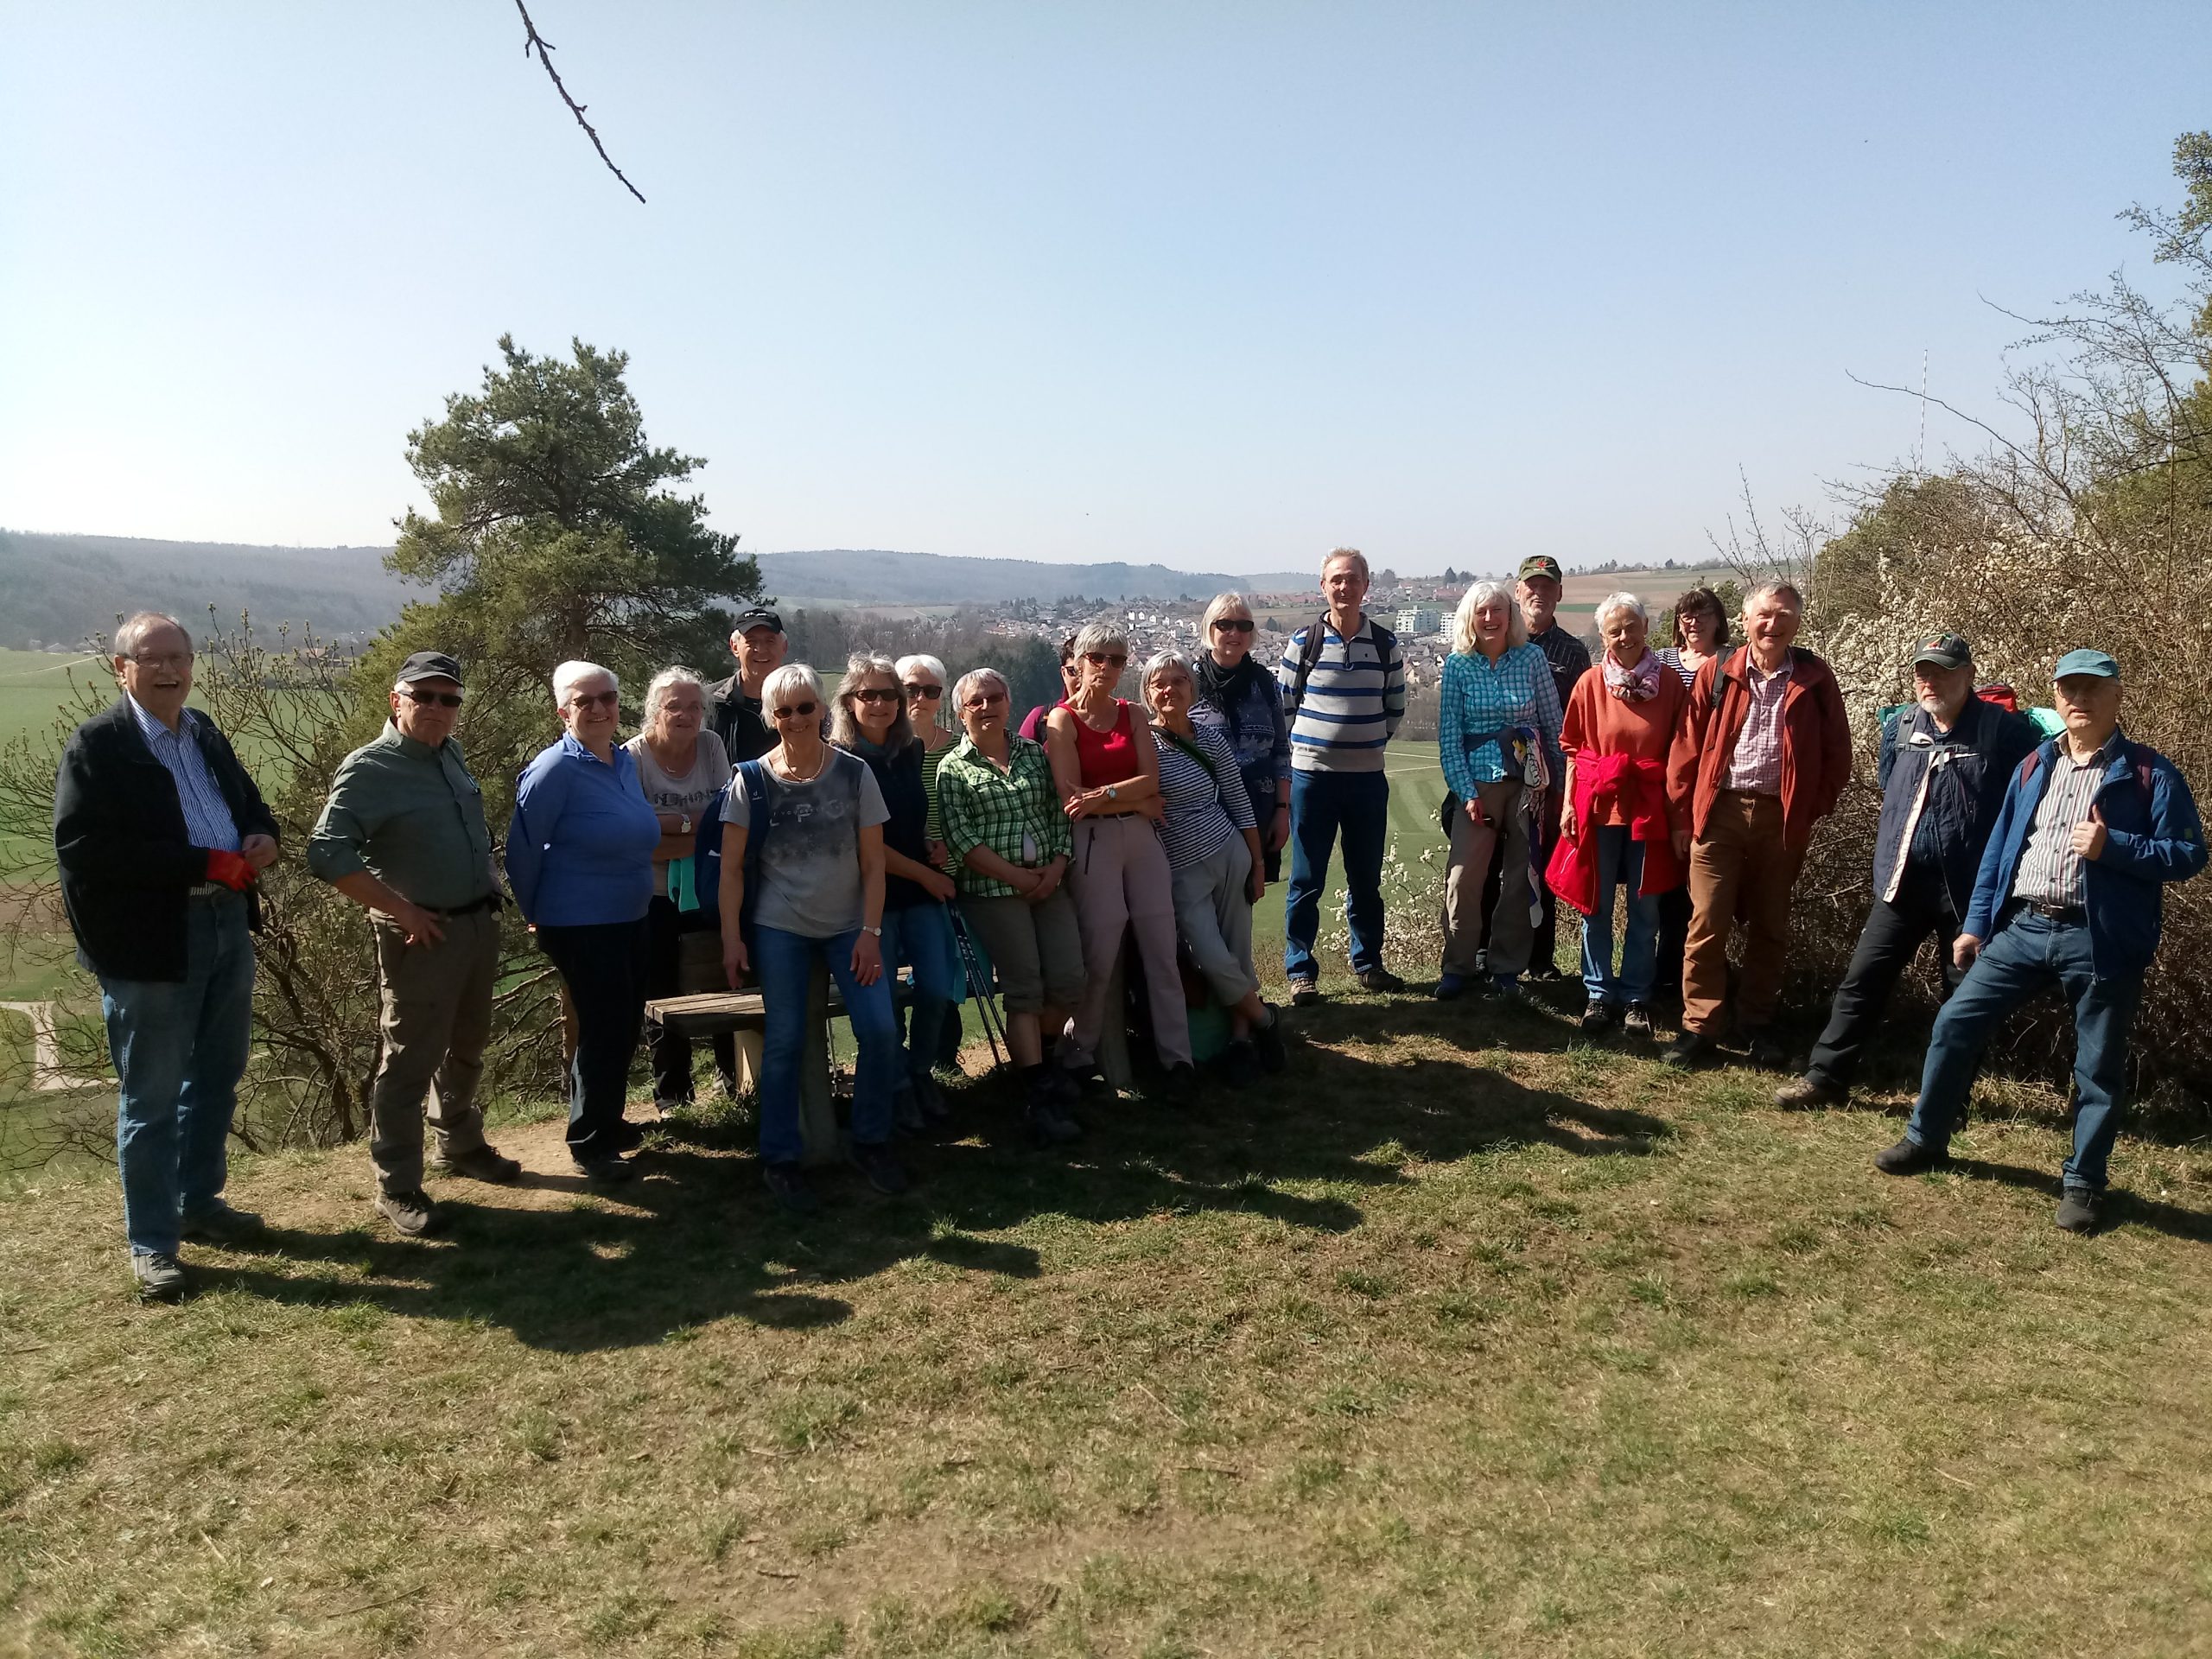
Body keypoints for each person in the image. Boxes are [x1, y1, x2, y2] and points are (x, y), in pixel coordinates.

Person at [1874, 650, 2205, 1232]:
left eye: (2091, 688)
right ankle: (1927, 1138)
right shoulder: (2034, 765)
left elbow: (2188, 855)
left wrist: (2116, 849)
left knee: (2097, 1065)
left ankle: (2083, 1183)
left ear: (2117, 697)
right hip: (2024, 928)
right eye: (2067, 689)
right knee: (1956, 1023)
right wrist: (1977, 924)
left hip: (2098, 938)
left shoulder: (2151, 773)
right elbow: (2001, 850)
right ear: (2054, 697)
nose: (2078, 699)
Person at [53, 612, 281, 1300]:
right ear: (120, 668)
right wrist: (201, 862)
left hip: (223, 926)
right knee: (149, 1099)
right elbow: (86, 849)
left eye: (178, 657)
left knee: (216, 1074)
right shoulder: (100, 744)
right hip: (150, 942)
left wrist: (260, 836)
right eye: (151, 659)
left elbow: (249, 804)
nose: (168, 670)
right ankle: (153, 1244)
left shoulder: (203, 731)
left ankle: (200, 1203)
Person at [308, 650, 522, 1239]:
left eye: (448, 699)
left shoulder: (447, 753)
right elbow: (326, 852)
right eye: (422, 696)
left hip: (476, 926)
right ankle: (397, 1185)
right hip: (419, 938)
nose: (435, 707)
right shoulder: (370, 768)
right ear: (395, 699)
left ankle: (460, 1143)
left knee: (468, 1045)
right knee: (407, 1061)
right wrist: (400, 908)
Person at [1775, 633, 2036, 1109]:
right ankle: (1825, 1079)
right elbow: (1890, 787)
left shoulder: (2004, 732)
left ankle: (1946, 1101)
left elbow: (2026, 808)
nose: (1930, 681)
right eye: (1923, 672)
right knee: (1862, 980)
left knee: (1962, 1000)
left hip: (1970, 890)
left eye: (1942, 671)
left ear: (1969, 675)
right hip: (1902, 881)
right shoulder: (1901, 727)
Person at [716, 663, 909, 1213]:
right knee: (783, 1042)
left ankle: (870, 1142)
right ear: (769, 716)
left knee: (878, 1032)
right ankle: (780, 1158)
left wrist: (870, 933)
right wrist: (733, 940)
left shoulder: (853, 774)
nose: (797, 718)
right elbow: (731, 870)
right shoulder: (749, 780)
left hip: (851, 926)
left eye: (806, 707)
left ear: (824, 710)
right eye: (784, 710)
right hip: (780, 928)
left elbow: (874, 865)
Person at [1663, 581, 1853, 1070]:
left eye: (1784, 615)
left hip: (1782, 819)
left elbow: (1837, 752)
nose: (1774, 624)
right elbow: (1685, 750)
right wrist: (1683, 817)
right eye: (1765, 615)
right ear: (1746, 621)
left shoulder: (1815, 678)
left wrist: (1813, 807)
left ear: (1796, 622)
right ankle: (1700, 1027)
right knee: (1707, 921)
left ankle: (1757, 1025)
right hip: (1719, 813)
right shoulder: (1718, 673)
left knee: (1770, 924)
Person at [506, 661, 663, 1183]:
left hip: (630, 915)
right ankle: (591, 1143)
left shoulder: (621, 762)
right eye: (583, 701)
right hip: (580, 921)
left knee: (620, 1024)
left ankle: (606, 1122)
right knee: (603, 1026)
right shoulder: (553, 770)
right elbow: (521, 852)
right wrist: (535, 914)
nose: (598, 709)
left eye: (607, 698)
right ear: (562, 711)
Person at [1044, 623, 1196, 1098]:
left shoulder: (1131, 714)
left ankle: (1178, 1059)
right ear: (1080, 661)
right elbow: (1070, 799)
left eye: (1117, 660)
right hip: (1093, 843)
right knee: (1101, 947)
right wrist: (1125, 800)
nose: (1107, 668)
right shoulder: (1062, 720)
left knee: (1161, 946)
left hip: (1140, 836)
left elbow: (1150, 781)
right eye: (1098, 659)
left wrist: (1106, 794)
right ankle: (1079, 1049)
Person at [937, 667, 1086, 1145]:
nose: (986, 707)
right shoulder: (953, 769)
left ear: (1009, 703)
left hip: (1050, 883)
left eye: (995, 698)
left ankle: (1038, 1055)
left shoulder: (1034, 755)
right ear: (961, 713)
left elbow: (1058, 812)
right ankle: (1036, 1088)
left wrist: (1056, 868)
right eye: (975, 701)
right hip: (993, 892)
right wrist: (1017, 877)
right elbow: (963, 839)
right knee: (1025, 987)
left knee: (1068, 981)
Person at [1141, 650, 1287, 1083]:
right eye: (1159, 683)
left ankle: (1240, 1044)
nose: (1170, 690)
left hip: (1230, 853)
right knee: (1210, 956)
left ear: (1192, 688)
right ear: (1148, 693)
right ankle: (1266, 1022)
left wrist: (1258, 863)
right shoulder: (1143, 745)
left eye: (1179, 681)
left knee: (1237, 952)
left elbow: (1238, 801)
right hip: (1180, 869)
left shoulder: (1210, 738)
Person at [1548, 595, 1688, 1037]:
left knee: (1646, 910)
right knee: (1597, 905)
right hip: (1598, 806)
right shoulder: (1589, 684)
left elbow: (1683, 751)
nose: (1624, 637)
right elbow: (1572, 750)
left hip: (1649, 807)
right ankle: (1598, 994)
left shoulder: (1669, 684)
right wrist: (1569, 804)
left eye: (1631, 626)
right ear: (1603, 636)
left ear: (1647, 627)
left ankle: (1636, 998)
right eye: (1614, 630)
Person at [833, 652, 962, 1129]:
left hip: (917, 890)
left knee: (935, 988)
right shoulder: (839, 761)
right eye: (868, 694)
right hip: (872, 896)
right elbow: (866, 845)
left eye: (891, 694)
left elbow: (905, 820)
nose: (882, 703)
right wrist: (926, 874)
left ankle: (918, 1069)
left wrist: (928, 845)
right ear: (849, 701)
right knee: (882, 1004)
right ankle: (897, 1086)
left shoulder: (910, 750)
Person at [1279, 547, 1408, 1004]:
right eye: (1336, 579)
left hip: (1366, 780)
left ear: (1366, 586)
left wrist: (1365, 744)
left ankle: (1368, 963)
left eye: (1352, 579)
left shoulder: (1386, 644)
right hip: (1313, 779)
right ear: (1323, 587)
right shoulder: (1304, 642)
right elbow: (1286, 707)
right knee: (1306, 878)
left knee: (1365, 877)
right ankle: (1300, 972)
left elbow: (1394, 709)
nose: (1344, 586)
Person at [1435, 580, 1564, 1001]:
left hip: (1529, 786)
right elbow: (1450, 738)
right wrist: (1466, 793)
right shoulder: (1457, 665)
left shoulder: (1532, 658)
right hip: (1477, 784)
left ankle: (1507, 969)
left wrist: (1560, 787)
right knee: (1463, 879)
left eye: (1497, 610)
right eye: (1481, 611)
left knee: (1519, 879)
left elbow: (1553, 724)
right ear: (1469, 618)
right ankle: (1457, 965)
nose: (1489, 619)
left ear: (1510, 615)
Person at [625, 667, 737, 1115]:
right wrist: (695, 827)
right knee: (662, 990)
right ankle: (673, 1094)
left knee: (727, 980)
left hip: (709, 886)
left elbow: (729, 816)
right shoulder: (632, 757)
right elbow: (633, 836)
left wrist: (671, 829)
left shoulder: (710, 746)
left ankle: (737, 1082)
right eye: (675, 706)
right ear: (655, 711)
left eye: (695, 706)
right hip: (653, 894)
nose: (687, 715)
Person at [1650, 588, 1731, 1000]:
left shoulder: (1731, 662)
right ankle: (1661, 973)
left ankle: (1697, 977)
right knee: (1662, 882)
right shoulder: (1662, 661)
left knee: (1699, 887)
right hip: (1662, 782)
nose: (1693, 622)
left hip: (1710, 782)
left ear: (1719, 619)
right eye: (1686, 615)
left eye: (1702, 615)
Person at [1516, 556, 1592, 982]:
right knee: (1497, 865)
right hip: (1504, 772)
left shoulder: (1572, 651)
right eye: (1532, 585)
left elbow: (1583, 720)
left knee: (1543, 866)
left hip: (1553, 776)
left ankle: (1540, 960)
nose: (1539, 593)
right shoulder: (1501, 641)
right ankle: (1489, 954)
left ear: (1559, 594)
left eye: (1548, 586)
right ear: (1518, 589)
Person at [1191, 593, 1293, 882]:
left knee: (1246, 900)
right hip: (1203, 814)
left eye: (1244, 626)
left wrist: (1282, 811)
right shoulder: (1187, 681)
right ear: (1209, 629)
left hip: (1258, 808)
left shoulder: (1265, 683)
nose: (1235, 633)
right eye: (1225, 624)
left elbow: (1282, 754)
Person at [709, 606, 787, 763]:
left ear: (784, 647)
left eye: (770, 641)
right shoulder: (710, 703)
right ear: (735, 646)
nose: (761, 649)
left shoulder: (803, 704)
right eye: (751, 642)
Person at [1019, 635, 1082, 741]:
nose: (1081, 678)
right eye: (1073, 671)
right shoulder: (1040, 718)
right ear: (1063, 673)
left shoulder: (1117, 718)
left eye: (1087, 671)